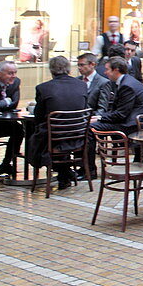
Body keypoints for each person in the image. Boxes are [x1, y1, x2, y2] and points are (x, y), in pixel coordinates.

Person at [31, 56, 90, 189]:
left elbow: (38, 116)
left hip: (55, 136)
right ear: (68, 69)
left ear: (51, 70)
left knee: (37, 138)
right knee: (52, 136)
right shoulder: (82, 85)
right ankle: (66, 173)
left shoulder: (43, 88)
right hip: (78, 135)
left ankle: (64, 172)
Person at [89, 57, 143, 135]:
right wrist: (100, 117)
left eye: (107, 69)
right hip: (130, 121)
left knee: (90, 127)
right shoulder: (127, 81)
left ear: (116, 70)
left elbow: (121, 114)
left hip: (129, 125)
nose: (105, 72)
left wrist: (100, 118)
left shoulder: (126, 86)